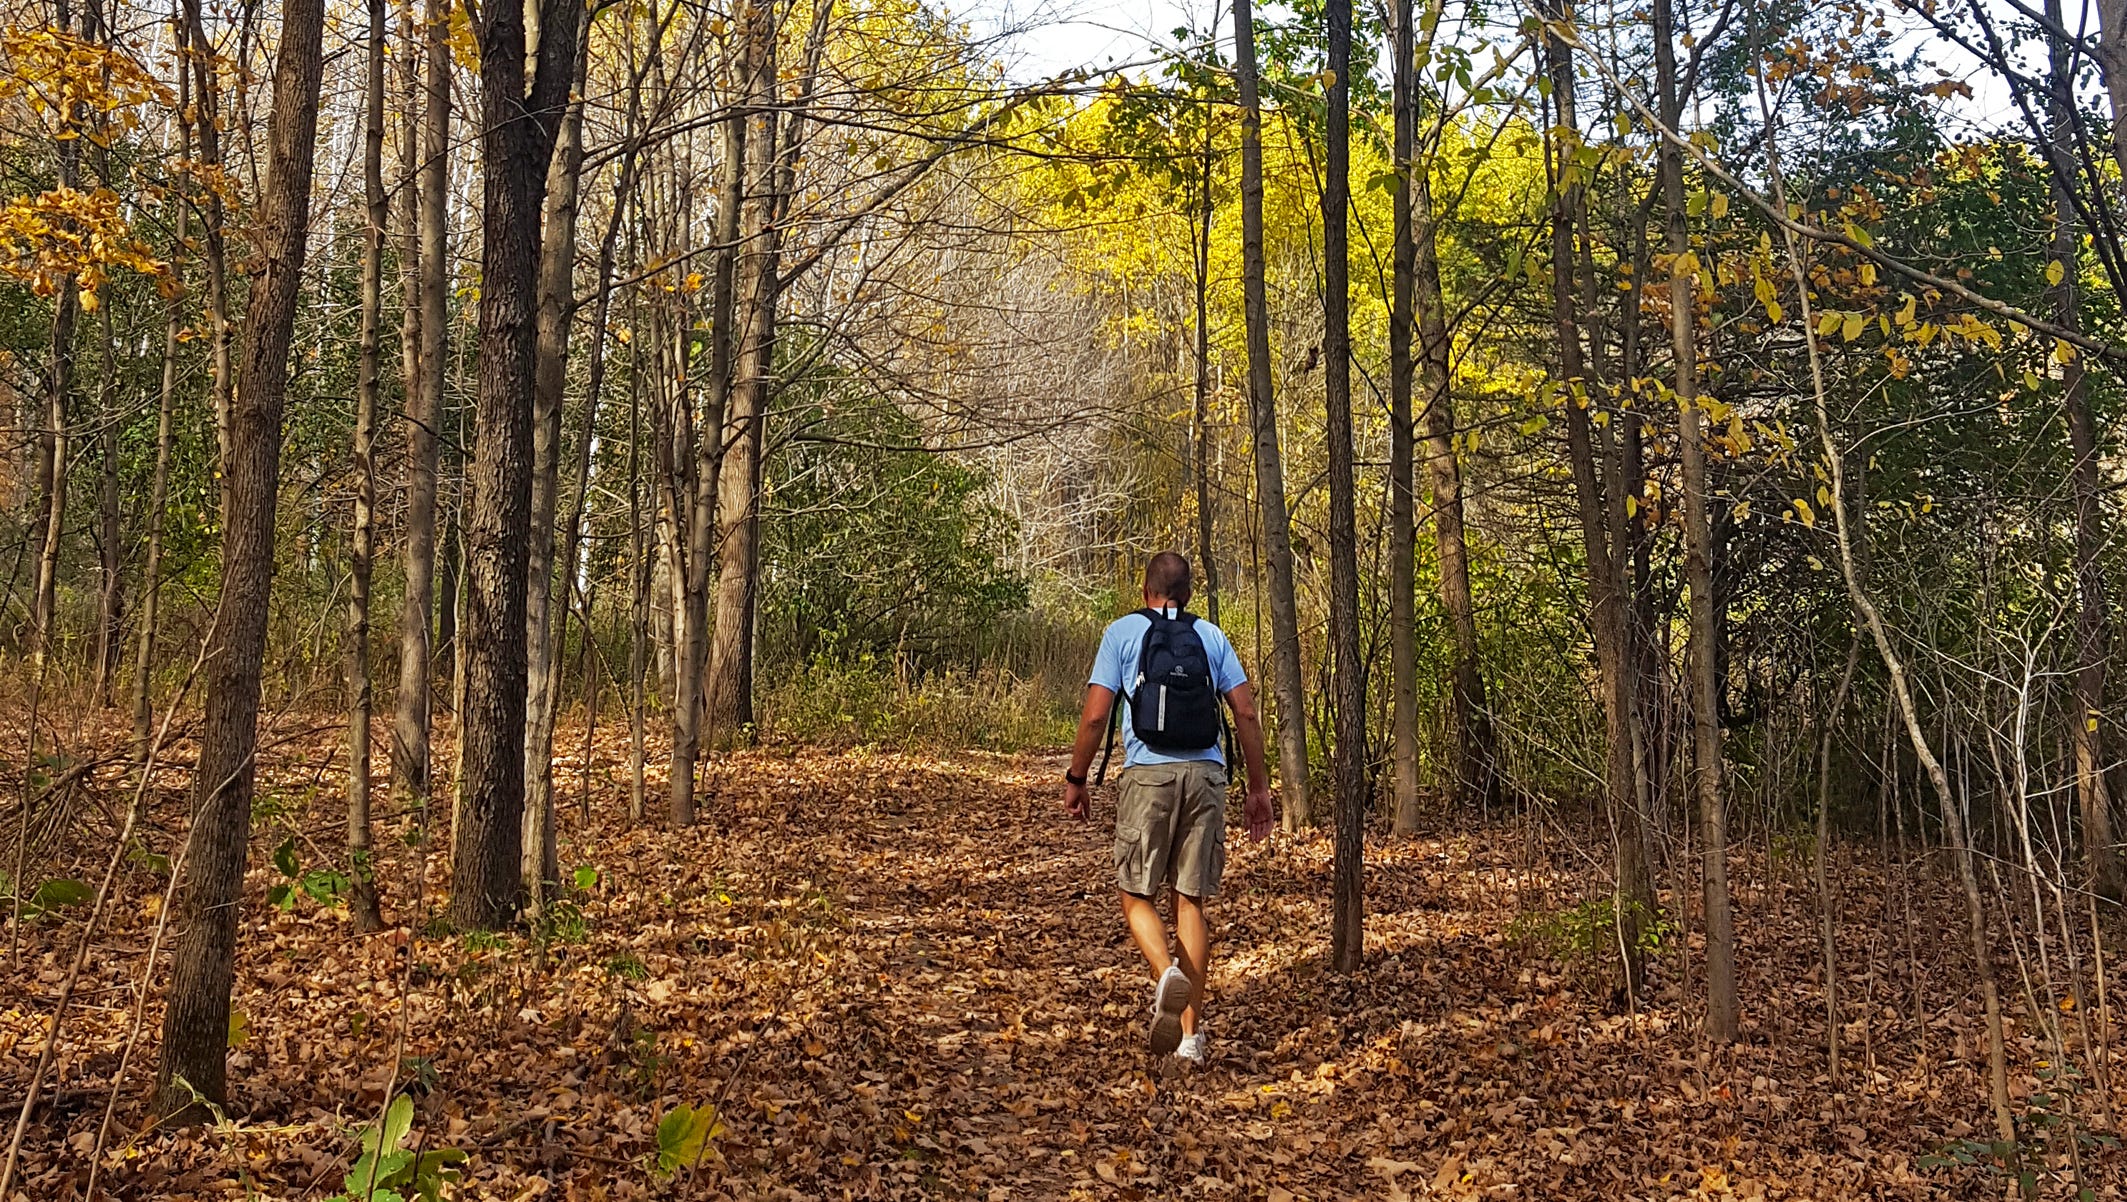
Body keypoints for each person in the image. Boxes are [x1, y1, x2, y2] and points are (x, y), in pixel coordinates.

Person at [1062, 551, 1274, 1064]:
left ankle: (1165, 972)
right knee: (1190, 902)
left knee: (1135, 894)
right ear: (1190, 593)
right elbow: (1244, 710)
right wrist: (1258, 787)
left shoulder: (1123, 633)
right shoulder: (1212, 637)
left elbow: (1095, 718)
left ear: (1145, 590)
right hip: (1206, 776)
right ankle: (1190, 1039)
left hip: (1148, 774)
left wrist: (1077, 777)